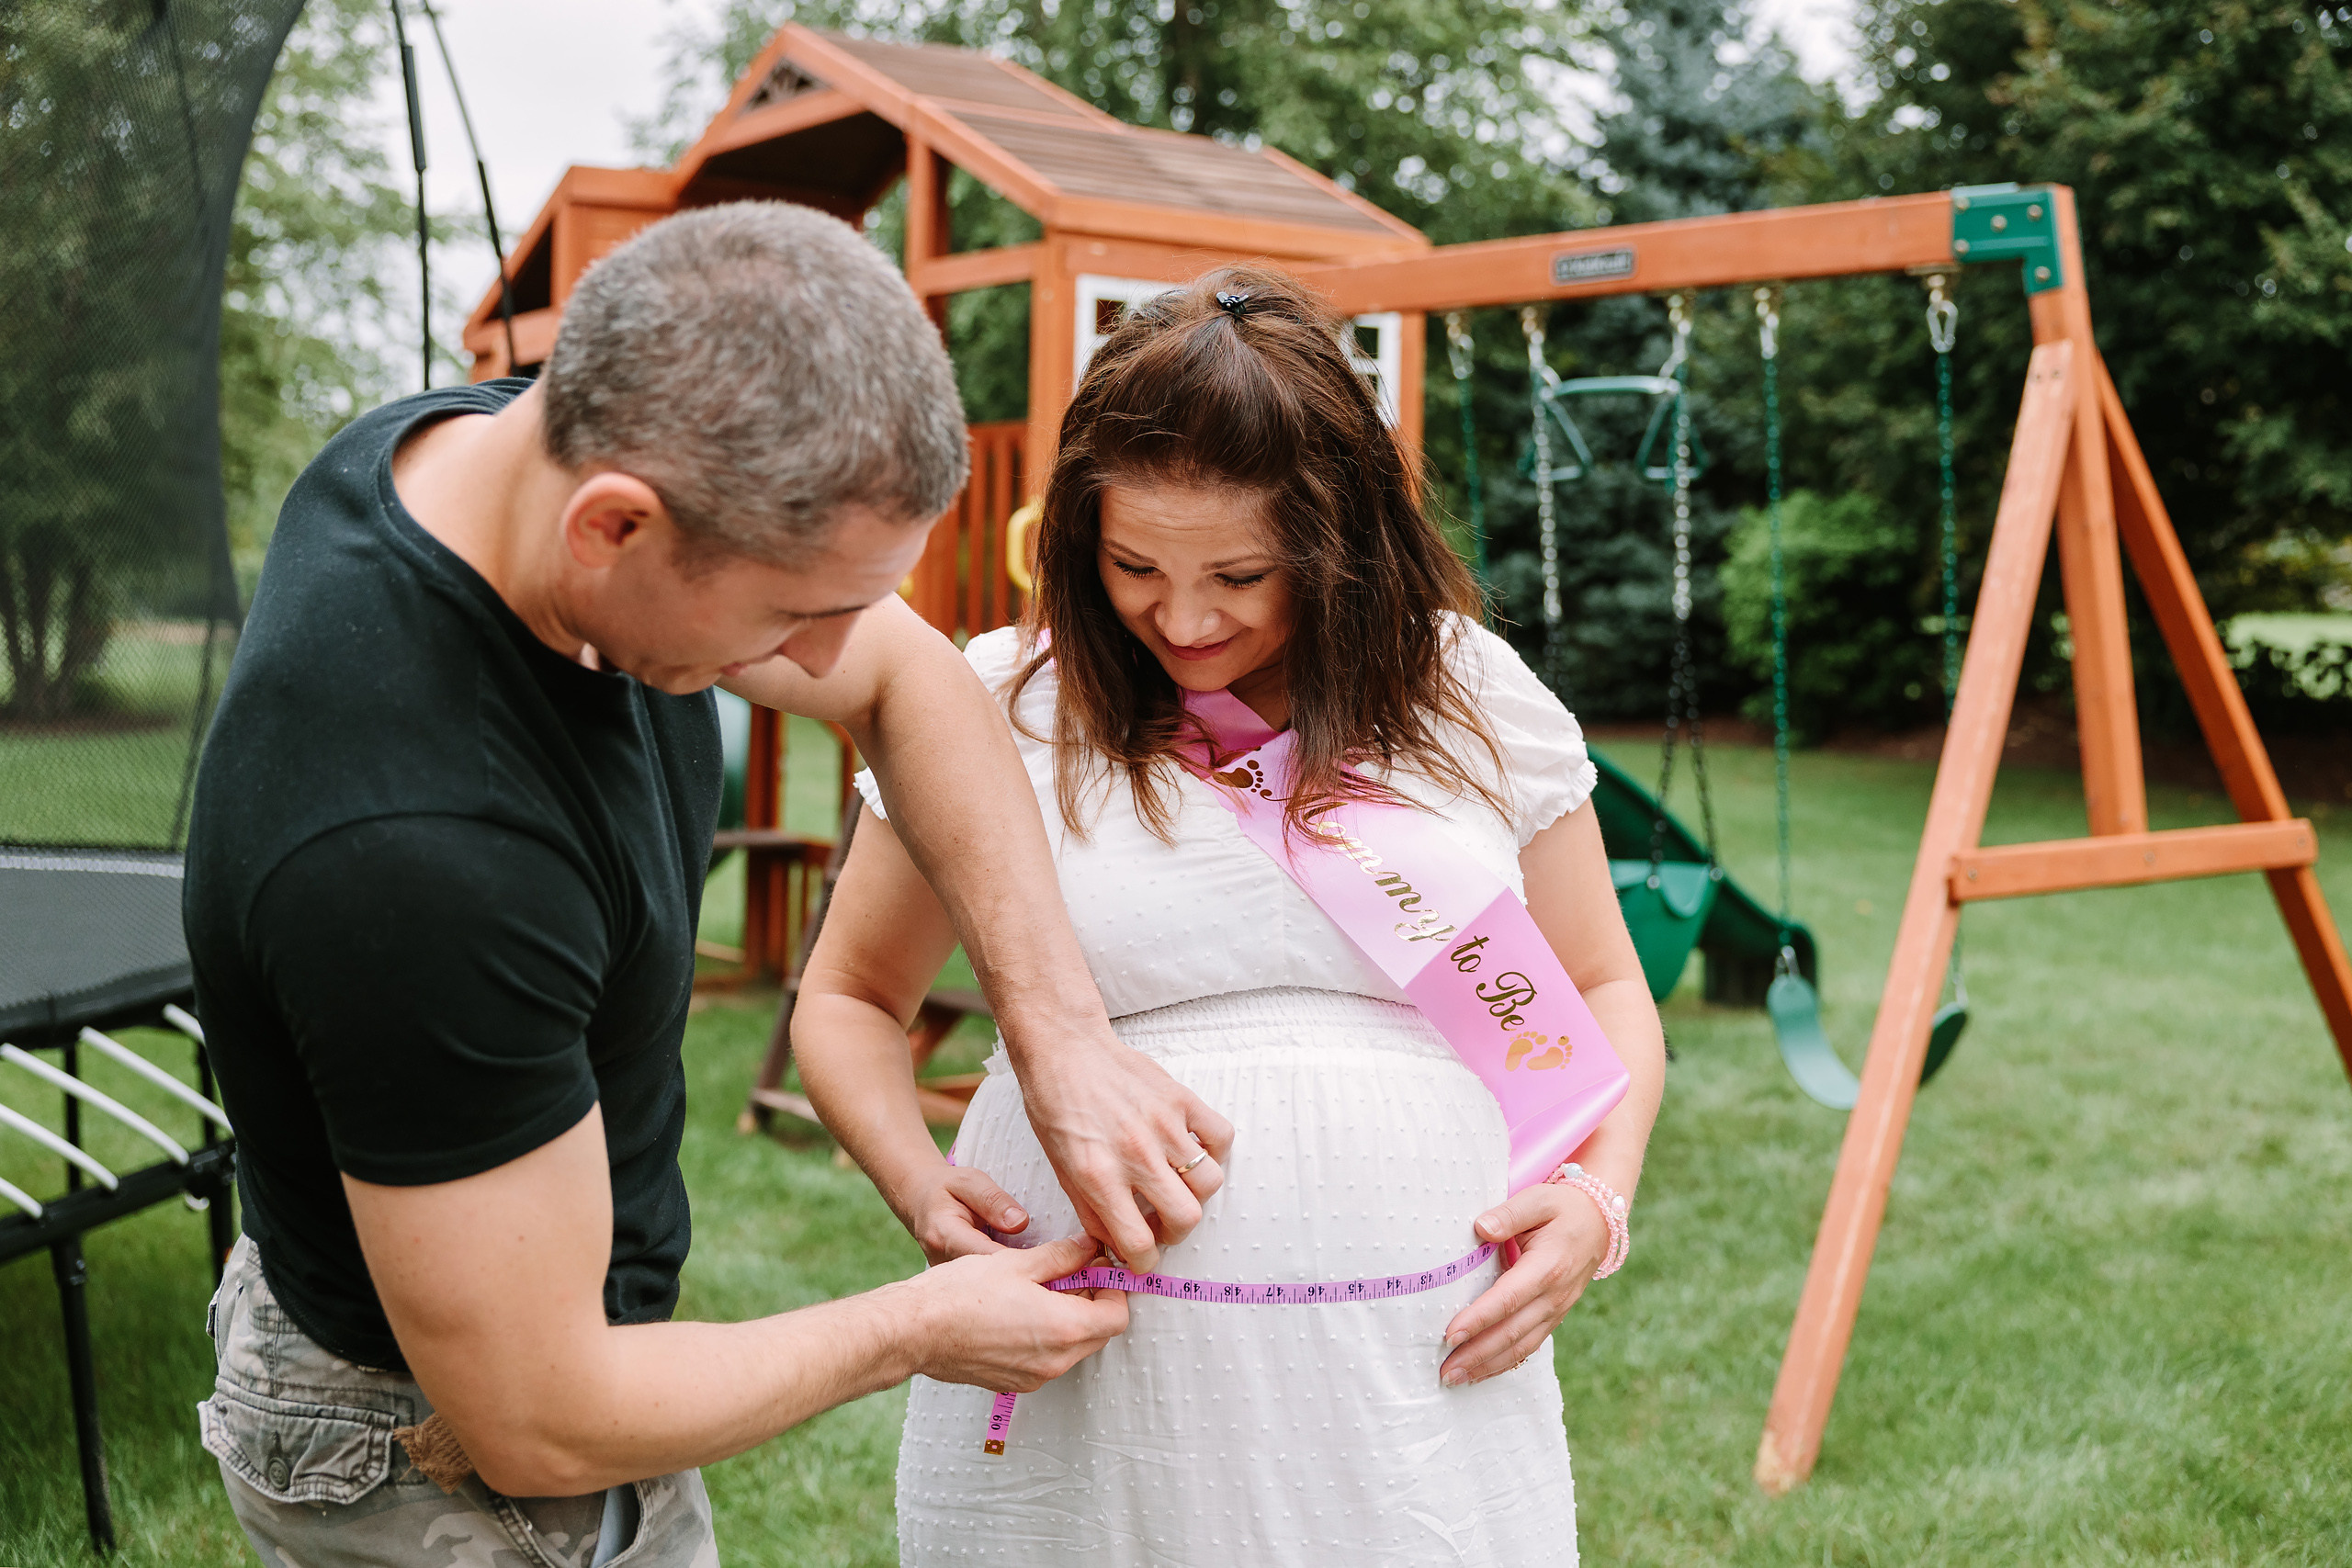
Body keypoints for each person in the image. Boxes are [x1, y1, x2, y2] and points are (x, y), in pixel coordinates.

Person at [182, 202, 1233, 1568]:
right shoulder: (419, 854)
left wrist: (1064, 1039)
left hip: (532, 1337)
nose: (835, 653)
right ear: (612, 528)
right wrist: (918, 1328)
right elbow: (541, 1420)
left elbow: (908, 681)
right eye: (797, 612)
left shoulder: (495, 453)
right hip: (427, 1460)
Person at [793, 267, 1668, 1564]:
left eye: (1243, 576)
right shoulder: (996, 705)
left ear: (1343, 548)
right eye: (1135, 566)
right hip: (1098, 1388)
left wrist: (1600, 1199)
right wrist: (920, 1186)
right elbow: (851, 996)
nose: (1185, 620)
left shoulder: (1467, 691)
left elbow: (1599, 991)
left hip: (1412, 1389)